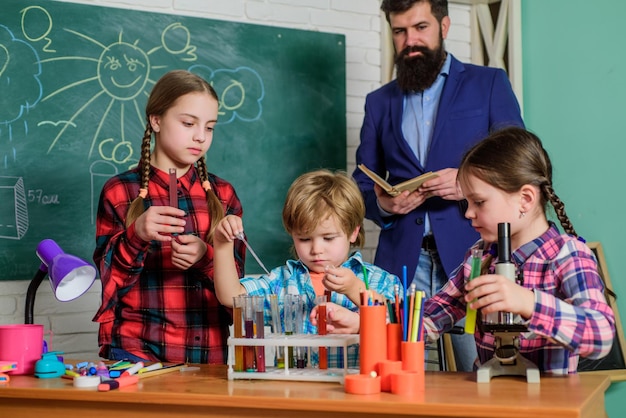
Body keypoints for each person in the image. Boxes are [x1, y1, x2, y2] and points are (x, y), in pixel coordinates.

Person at [313, 127, 616, 374]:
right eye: (466, 203)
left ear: (525, 199)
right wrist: (366, 322)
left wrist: (528, 302)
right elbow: (428, 319)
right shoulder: (479, 258)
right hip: (487, 399)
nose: (468, 213)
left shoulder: (569, 256)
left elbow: (601, 335)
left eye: (479, 202)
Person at [352, 0, 524, 371]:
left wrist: (467, 181)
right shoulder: (378, 102)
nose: (410, 40)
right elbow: (361, 183)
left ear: (444, 26)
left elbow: (518, 161)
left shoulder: (489, 83)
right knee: (400, 377)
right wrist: (384, 204)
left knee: (479, 375)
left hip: (474, 256)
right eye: (400, 31)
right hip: (400, 265)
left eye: (420, 27)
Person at [92, 70, 246, 364]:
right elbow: (110, 280)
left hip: (206, 353)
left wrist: (205, 256)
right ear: (156, 120)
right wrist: (137, 233)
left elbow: (239, 292)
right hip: (135, 350)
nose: (200, 136)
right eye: (188, 123)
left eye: (210, 127)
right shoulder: (120, 190)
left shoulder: (223, 194)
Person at [213, 169, 402, 367]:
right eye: (304, 239)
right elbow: (231, 296)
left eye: (328, 238)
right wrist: (222, 243)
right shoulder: (284, 281)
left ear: (353, 232)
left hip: (356, 392)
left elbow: (398, 325)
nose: (316, 249)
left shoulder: (378, 280)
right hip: (297, 391)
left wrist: (354, 289)